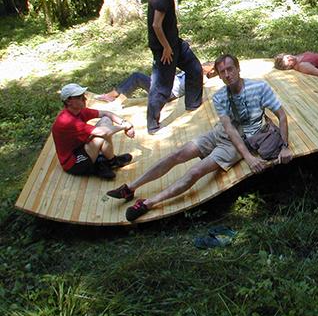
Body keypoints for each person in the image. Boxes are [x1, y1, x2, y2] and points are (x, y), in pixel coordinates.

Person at [107, 54, 294, 222]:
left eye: (230, 69)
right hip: (220, 133)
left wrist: (283, 146)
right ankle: (130, 188)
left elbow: (282, 116)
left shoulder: (259, 88)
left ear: (238, 69)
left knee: (195, 172)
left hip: (237, 144)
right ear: (218, 75)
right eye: (222, 72)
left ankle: (147, 203)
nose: (227, 74)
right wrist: (250, 158)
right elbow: (228, 128)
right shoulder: (220, 97)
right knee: (177, 154)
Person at [147, 0, 203, 134]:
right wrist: (166, 47)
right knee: (162, 87)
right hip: (165, 48)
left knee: (195, 68)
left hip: (174, 43)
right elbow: (156, 25)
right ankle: (152, 125)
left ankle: (193, 105)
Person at [51, 83, 136, 180]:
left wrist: (123, 122)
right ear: (68, 101)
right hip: (73, 163)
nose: (85, 99)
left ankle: (105, 162)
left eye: (83, 95)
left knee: (106, 120)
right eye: (79, 97)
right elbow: (103, 132)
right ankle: (107, 163)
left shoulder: (79, 110)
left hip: (81, 147)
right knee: (101, 136)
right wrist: (125, 126)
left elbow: (106, 113)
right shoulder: (68, 121)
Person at [95, 65, 218, 104]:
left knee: (137, 77)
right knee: (140, 77)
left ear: (211, 71)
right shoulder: (194, 71)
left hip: (167, 93)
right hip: (164, 86)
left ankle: (112, 95)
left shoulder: (202, 79)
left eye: (207, 65)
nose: (203, 65)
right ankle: (114, 95)